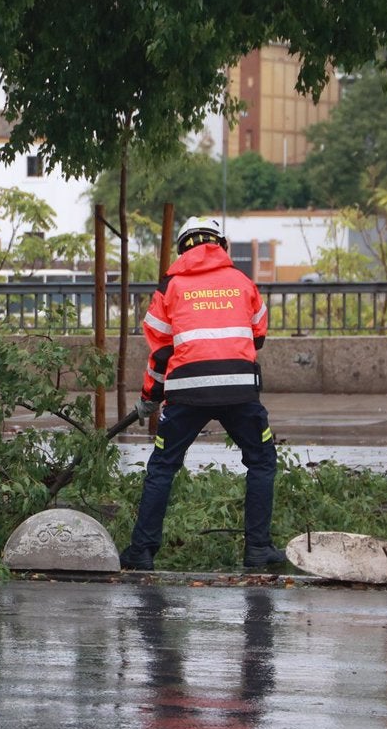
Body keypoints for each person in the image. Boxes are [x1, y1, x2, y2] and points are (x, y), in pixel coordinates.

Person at [120, 216, 286, 571]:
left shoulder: (170, 288)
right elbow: (258, 336)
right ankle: (258, 549)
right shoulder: (242, 282)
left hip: (185, 391)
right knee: (261, 461)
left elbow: (160, 353)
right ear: (221, 244)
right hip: (239, 389)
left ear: (182, 250)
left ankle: (141, 552)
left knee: (163, 466)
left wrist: (150, 396)